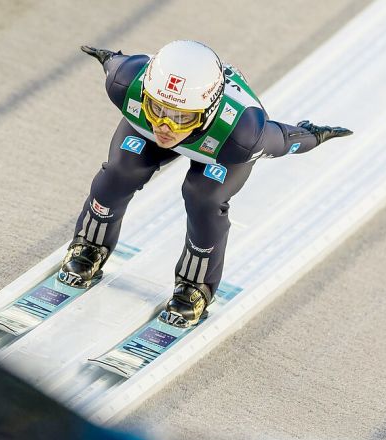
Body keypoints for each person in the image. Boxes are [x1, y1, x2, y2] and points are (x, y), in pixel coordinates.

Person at [59, 40, 352, 327]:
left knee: (204, 198)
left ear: (209, 111)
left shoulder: (243, 134)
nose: (165, 127)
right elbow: (113, 61)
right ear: (145, 93)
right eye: (157, 108)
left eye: (180, 118)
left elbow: (284, 140)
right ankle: (89, 245)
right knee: (120, 173)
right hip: (197, 136)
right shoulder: (124, 82)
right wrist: (108, 57)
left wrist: (312, 135)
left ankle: (195, 285)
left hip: (219, 148)